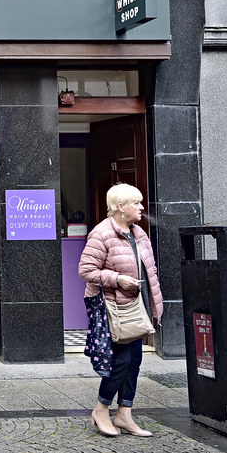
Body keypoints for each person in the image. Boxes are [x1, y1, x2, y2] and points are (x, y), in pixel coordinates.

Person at [79, 183, 163, 437]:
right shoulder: (102, 234)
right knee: (122, 360)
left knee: (135, 360)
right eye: (136, 203)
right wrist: (117, 279)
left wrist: (154, 304)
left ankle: (124, 414)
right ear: (120, 207)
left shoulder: (138, 232)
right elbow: (86, 271)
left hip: (135, 307)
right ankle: (101, 408)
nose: (141, 207)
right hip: (112, 308)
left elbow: (150, 270)